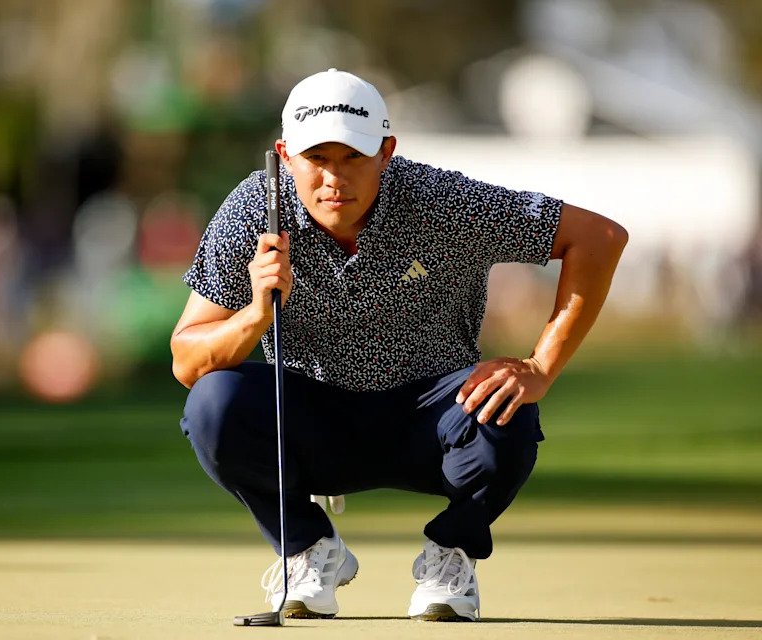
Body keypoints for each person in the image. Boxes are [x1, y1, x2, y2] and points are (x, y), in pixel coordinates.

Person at [170, 68, 627, 622]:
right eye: (317, 159)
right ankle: (309, 549)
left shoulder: (442, 201)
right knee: (214, 403)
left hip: (432, 419)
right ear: (285, 155)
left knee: (510, 407)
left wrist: (540, 365)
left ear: (386, 151)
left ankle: (451, 553)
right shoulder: (253, 210)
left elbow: (598, 238)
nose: (334, 178)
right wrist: (255, 315)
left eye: (352, 157)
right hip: (312, 420)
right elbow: (187, 360)